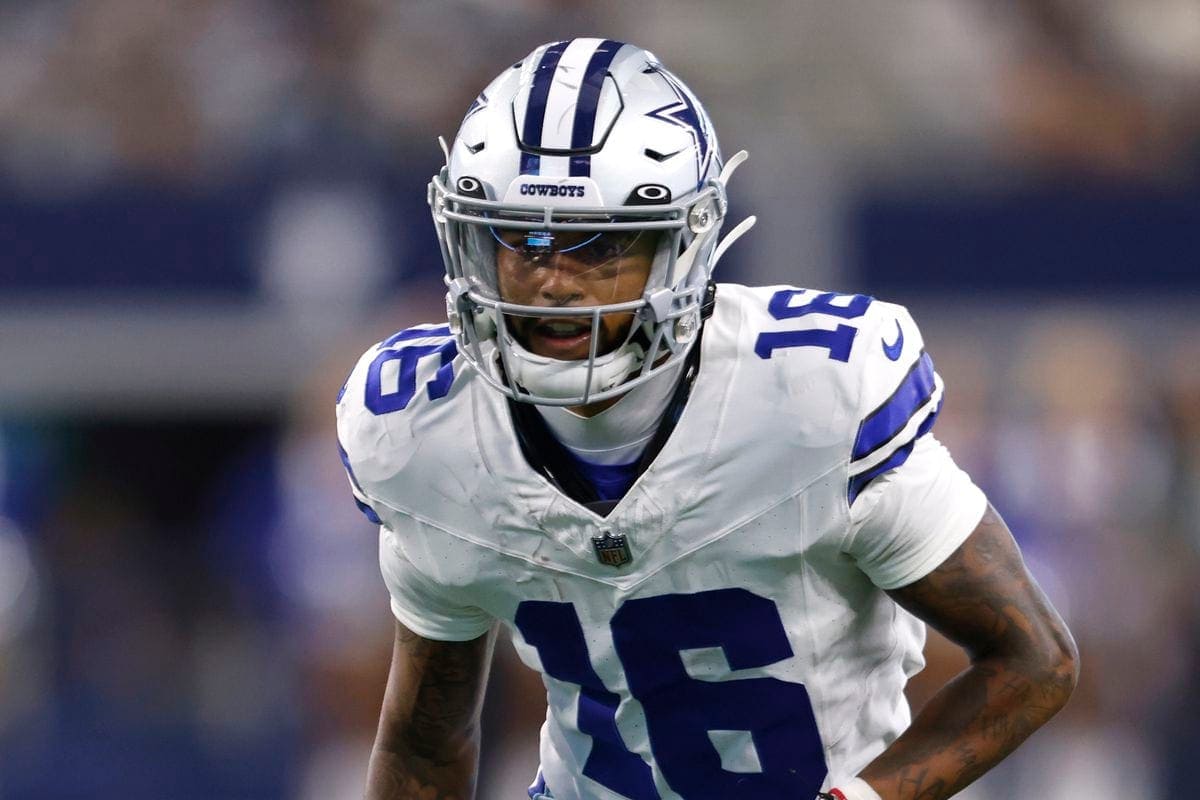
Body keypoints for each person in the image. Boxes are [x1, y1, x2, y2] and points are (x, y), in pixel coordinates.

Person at [337, 38, 1078, 800]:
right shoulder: (427, 434)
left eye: (600, 245)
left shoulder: (810, 398)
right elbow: (424, 747)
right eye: (521, 238)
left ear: (684, 245)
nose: (552, 281)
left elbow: (1032, 657)